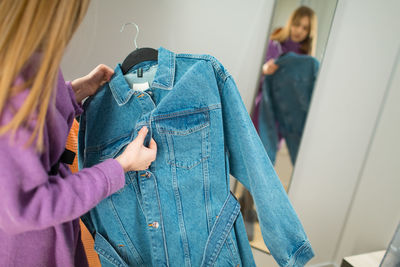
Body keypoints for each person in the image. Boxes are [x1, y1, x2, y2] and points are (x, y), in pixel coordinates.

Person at [0, 1, 157, 266]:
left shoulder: (25, 57)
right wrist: (121, 166)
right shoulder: (15, 78)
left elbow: (34, 113)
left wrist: (77, 91)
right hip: (27, 252)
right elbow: (28, 207)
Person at [252, 5, 318, 132]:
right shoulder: (273, 44)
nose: (299, 30)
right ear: (290, 23)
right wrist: (264, 70)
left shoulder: (306, 61)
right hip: (258, 108)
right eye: (297, 24)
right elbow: (253, 78)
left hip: (281, 119)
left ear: (310, 32)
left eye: (305, 28)